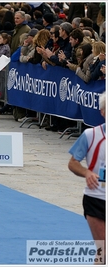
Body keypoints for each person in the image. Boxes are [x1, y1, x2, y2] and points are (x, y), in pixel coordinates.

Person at [68, 91, 106, 264]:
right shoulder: (91, 135)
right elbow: (73, 163)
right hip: (96, 199)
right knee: (103, 251)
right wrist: (87, 173)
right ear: (103, 112)